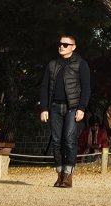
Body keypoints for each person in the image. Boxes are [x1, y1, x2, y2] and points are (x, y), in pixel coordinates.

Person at [37, 34, 90, 189]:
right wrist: (44, 108)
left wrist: (82, 108)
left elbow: (86, 88)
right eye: (60, 44)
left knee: (69, 140)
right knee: (56, 141)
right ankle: (59, 174)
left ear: (73, 47)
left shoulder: (81, 64)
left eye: (65, 44)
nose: (61, 46)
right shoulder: (52, 64)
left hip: (72, 108)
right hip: (54, 108)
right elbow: (44, 87)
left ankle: (68, 175)